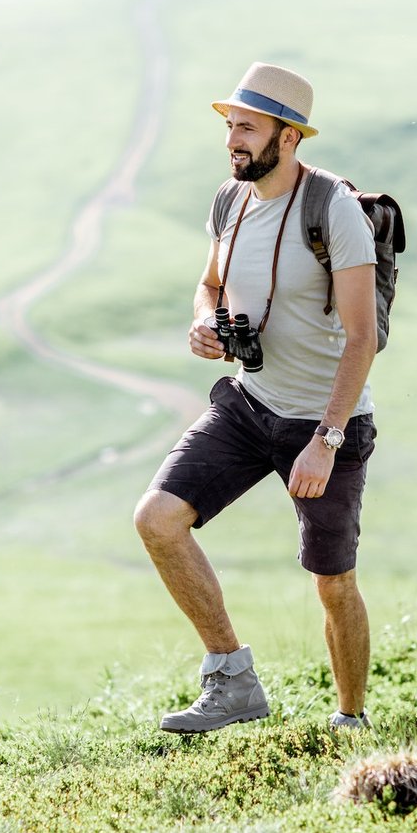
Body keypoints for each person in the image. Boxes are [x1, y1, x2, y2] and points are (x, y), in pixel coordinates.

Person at [133, 61, 379, 733]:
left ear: (289, 136)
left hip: (326, 422)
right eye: (229, 126)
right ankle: (232, 681)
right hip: (248, 403)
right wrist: (204, 319)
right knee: (157, 520)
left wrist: (325, 442)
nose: (232, 140)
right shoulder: (229, 202)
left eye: (247, 127)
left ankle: (350, 719)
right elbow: (209, 283)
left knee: (333, 583)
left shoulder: (334, 212)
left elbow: (363, 337)